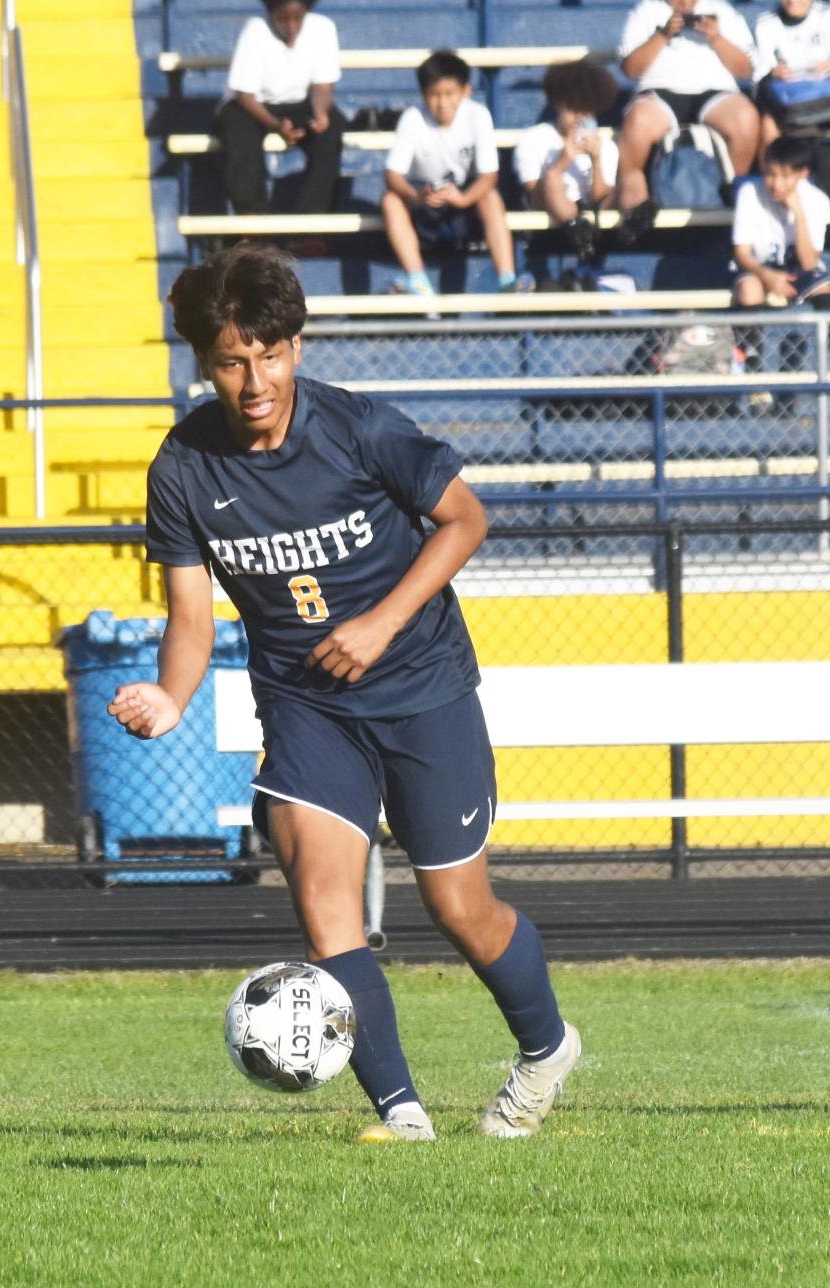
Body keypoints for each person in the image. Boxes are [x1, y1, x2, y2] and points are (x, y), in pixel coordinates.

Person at [113, 244, 581, 1141]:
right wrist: (172, 699)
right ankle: (402, 1117)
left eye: (271, 352)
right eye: (232, 360)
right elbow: (190, 618)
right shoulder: (182, 468)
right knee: (324, 900)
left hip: (421, 689)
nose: (255, 379)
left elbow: (464, 518)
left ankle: (546, 1047)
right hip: (305, 707)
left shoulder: (359, 429)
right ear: (203, 363)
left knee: (459, 910)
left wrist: (382, 622)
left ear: (296, 344)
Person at [614, 0, 761, 237]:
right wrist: (663, 34)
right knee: (638, 121)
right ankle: (636, 204)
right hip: (658, 89)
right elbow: (630, 69)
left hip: (715, 90)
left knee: (745, 117)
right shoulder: (646, 10)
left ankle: (732, 193)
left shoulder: (722, 10)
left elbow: (745, 69)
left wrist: (717, 37)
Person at [381, 52, 522, 297]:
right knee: (390, 201)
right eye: (434, 95)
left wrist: (463, 198)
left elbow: (489, 176)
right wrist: (416, 195)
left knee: (490, 197)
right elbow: (392, 175)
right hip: (424, 202)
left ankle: (507, 280)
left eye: (450, 94)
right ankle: (418, 281)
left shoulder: (478, 115)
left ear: (465, 91)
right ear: (423, 95)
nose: (442, 102)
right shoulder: (412, 118)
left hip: (463, 204)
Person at [730, 137, 830, 385]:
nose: (776, 184)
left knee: (822, 285)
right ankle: (754, 373)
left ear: (803, 174)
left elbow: (809, 262)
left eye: (786, 176)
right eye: (771, 174)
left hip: (797, 268)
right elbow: (741, 253)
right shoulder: (749, 193)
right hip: (758, 267)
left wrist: (799, 215)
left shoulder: (817, 200)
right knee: (748, 289)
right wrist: (768, 276)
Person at [216, 0, 345, 216]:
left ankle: (312, 221)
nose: (292, 26)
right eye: (283, 18)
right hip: (253, 107)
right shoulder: (255, 30)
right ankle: (251, 218)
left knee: (333, 128)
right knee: (238, 129)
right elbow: (245, 95)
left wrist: (321, 113)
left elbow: (323, 85)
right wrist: (275, 125)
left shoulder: (323, 28)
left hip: (301, 104)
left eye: (298, 18)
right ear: (270, 12)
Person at [751, 0, 830, 178]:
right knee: (768, 127)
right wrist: (773, 72)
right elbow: (758, 78)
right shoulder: (766, 23)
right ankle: (768, 183)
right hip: (789, 106)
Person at [513, 60, 622, 263]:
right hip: (548, 218)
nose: (579, 118)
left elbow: (600, 198)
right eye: (573, 108)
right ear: (558, 103)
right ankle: (575, 227)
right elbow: (532, 194)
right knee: (553, 176)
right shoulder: (533, 138)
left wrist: (596, 160)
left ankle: (581, 233)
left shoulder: (605, 146)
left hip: (590, 219)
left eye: (587, 111)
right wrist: (562, 162)